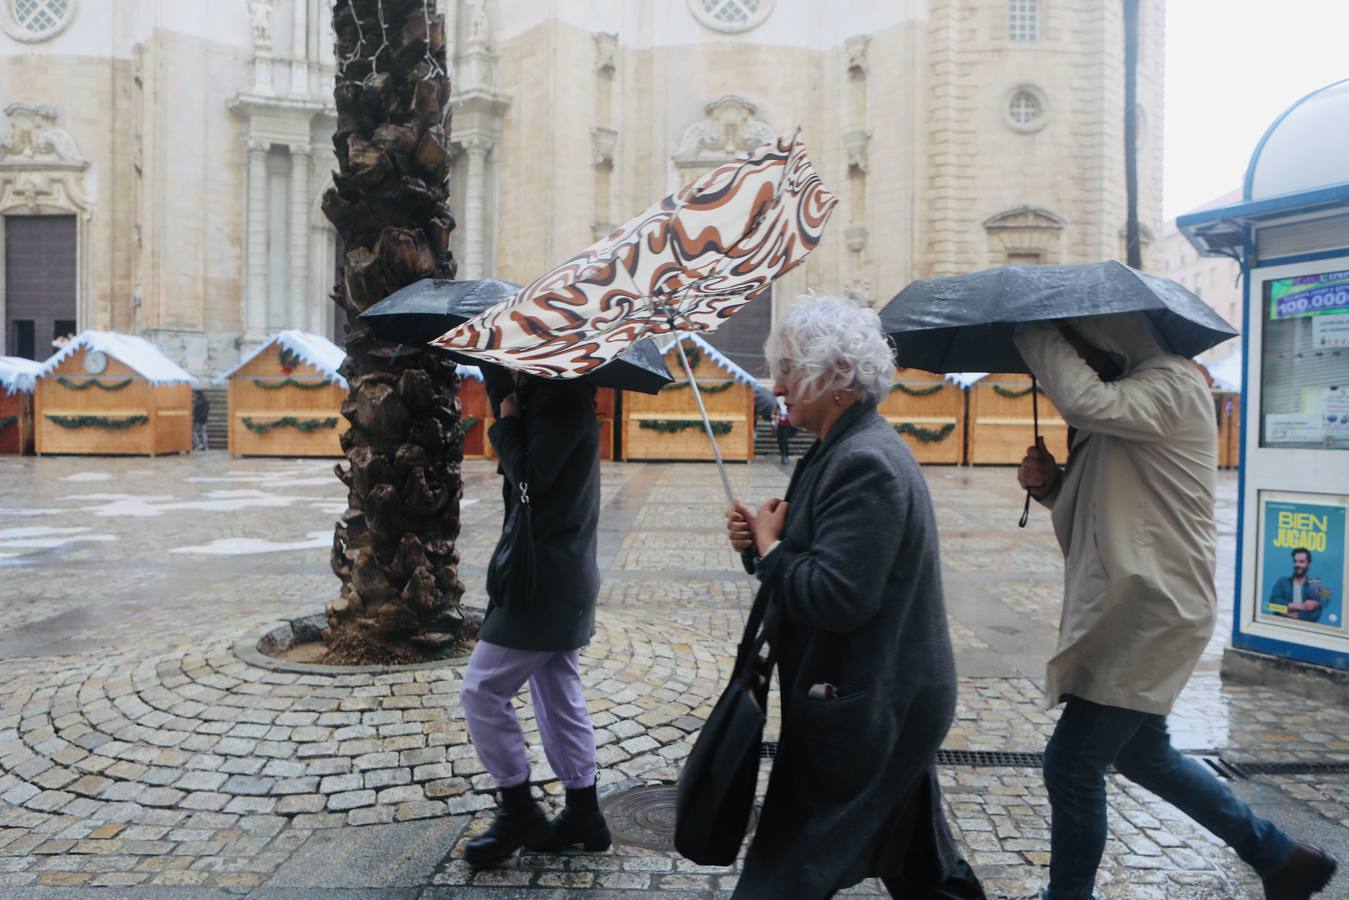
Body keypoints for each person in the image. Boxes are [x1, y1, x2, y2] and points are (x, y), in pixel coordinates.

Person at [1015, 315, 1338, 900]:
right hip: (1137, 600)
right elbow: (1104, 504)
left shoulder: (1170, 384)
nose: (1077, 355)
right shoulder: (1135, 394)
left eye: (1079, 341)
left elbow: (1085, 401)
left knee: (1071, 763)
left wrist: (1032, 333)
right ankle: (1281, 859)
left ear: (1112, 337)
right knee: (1144, 753)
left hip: (1152, 609)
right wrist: (1051, 486)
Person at [725, 298, 985, 899]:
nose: (779, 383)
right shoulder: (839, 444)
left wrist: (771, 552)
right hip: (882, 694)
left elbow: (837, 597)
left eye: (790, 368)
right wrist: (762, 543)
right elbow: (823, 555)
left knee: (787, 872)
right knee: (922, 864)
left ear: (836, 375)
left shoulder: (864, 460)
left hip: (870, 704)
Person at [458, 367, 610, 867]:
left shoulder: (562, 403)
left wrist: (504, 408)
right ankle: (584, 811)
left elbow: (529, 477)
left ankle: (518, 807)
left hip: (545, 579)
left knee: (482, 689)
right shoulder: (553, 399)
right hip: (549, 572)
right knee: (556, 689)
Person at [1269, 548, 1327, 623]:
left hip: (1304, 631)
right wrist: (1302, 606)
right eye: (1295, 561)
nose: (1297, 564)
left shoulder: (1314, 584)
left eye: (1301, 562)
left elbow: (1317, 613)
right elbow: (1272, 605)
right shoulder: (1282, 581)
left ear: (1309, 564)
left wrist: (1292, 614)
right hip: (1280, 626)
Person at [774, 395, 794, 465]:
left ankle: (785, 456)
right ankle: (782, 453)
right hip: (780, 424)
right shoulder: (778, 404)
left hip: (787, 424)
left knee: (784, 440)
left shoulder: (790, 404)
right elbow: (775, 412)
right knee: (779, 439)